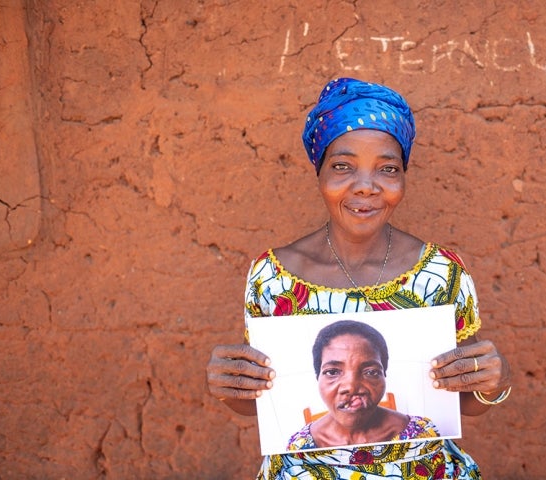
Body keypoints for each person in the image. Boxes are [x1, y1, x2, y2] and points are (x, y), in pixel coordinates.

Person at [206, 77, 513, 479]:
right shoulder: (272, 277)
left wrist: (495, 380)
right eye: (343, 167)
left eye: (387, 168)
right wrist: (230, 385)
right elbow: (262, 402)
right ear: (320, 173)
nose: (365, 187)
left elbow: (464, 400)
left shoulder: (440, 272)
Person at [286, 319, 440, 451]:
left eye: (371, 372)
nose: (351, 387)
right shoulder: (299, 447)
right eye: (332, 372)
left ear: (384, 375)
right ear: (317, 377)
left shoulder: (422, 434)